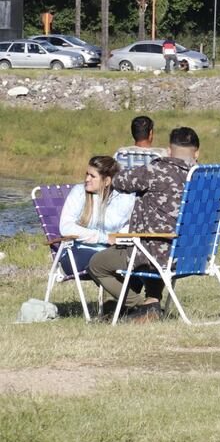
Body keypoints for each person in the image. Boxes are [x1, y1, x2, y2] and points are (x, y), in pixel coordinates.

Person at [87, 127, 200, 322]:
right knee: (151, 253)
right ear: (197, 153)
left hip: (154, 252)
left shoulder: (156, 170)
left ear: (169, 151)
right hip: (192, 253)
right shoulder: (203, 176)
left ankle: (144, 305)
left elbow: (120, 181)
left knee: (97, 264)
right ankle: (150, 299)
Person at [57, 156, 136, 276]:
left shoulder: (122, 198)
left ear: (107, 181)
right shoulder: (79, 192)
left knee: (138, 262)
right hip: (77, 253)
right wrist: (104, 238)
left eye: (92, 176)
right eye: (87, 174)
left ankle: (145, 294)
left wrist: (120, 237)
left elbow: (128, 225)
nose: (87, 179)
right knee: (112, 264)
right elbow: (66, 227)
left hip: (110, 252)